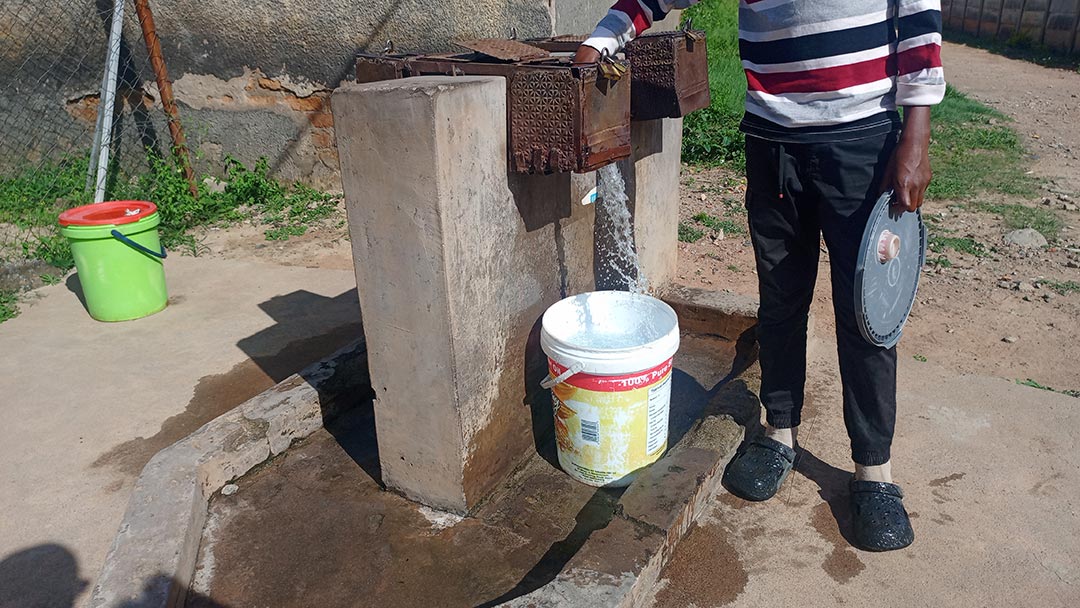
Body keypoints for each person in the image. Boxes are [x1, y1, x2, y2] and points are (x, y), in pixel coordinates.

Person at [575, 0, 945, 551]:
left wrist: (916, 134)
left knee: (868, 313)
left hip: (863, 139)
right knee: (780, 298)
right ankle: (779, 432)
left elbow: (919, 15)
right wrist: (602, 39)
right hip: (773, 140)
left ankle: (874, 471)